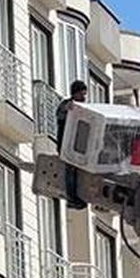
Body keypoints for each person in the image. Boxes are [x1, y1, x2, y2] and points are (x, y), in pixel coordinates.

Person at [54, 80, 88, 209]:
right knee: (70, 171)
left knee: (76, 172)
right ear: (75, 93)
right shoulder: (66, 105)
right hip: (66, 145)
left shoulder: (82, 108)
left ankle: (76, 196)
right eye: (82, 94)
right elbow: (61, 114)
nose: (84, 97)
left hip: (77, 146)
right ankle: (71, 198)